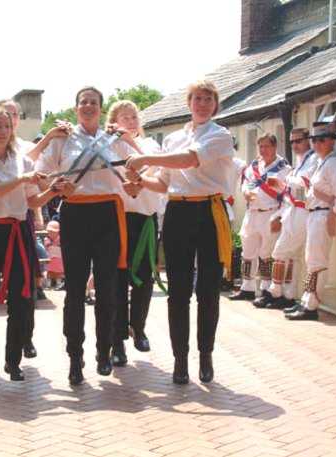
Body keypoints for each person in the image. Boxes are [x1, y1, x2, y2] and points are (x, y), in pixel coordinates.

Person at [125, 80, 234, 384]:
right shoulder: (173, 138)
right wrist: (139, 182)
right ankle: (180, 360)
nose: (202, 104)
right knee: (178, 291)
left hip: (210, 211)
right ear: (188, 103)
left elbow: (190, 160)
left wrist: (144, 159)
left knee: (208, 290)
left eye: (208, 99)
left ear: (215, 105)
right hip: (178, 212)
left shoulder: (220, 135)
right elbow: (163, 183)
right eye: (197, 98)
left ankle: (206, 355)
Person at [35, 87, 138, 385]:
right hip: (75, 215)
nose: (88, 106)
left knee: (107, 288)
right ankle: (74, 357)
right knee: (75, 290)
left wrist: (135, 184)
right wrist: (57, 188)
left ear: (101, 108)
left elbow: (135, 172)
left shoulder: (114, 139)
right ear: (76, 107)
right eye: (83, 102)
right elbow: (42, 173)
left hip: (107, 213)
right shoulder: (64, 139)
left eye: (94, 102)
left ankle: (103, 351)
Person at [0, 105, 65, 391]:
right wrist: (22, 179)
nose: (3, 131)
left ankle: (13, 361)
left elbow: (32, 202)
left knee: (22, 301)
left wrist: (54, 190)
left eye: (7, 126)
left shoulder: (20, 159)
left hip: (15, 233)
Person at [105, 100, 163, 366]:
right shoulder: (107, 144)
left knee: (143, 279)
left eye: (133, 117)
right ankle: (116, 342)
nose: (129, 121)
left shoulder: (149, 145)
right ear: (113, 121)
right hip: (117, 219)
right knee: (116, 282)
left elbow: (156, 170)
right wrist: (117, 139)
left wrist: (133, 143)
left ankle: (137, 327)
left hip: (144, 218)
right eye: (123, 118)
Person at [285, 122, 336, 321]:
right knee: (311, 259)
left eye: (322, 139)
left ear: (332, 141)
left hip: (323, 215)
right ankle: (307, 300)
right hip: (313, 213)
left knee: (317, 260)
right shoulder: (321, 163)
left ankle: (312, 305)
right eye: (314, 140)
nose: (318, 144)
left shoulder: (334, 164)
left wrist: (334, 214)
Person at [253, 128, 317, 309]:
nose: (295, 145)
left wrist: (284, 183)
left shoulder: (312, 160)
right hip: (291, 210)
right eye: (292, 142)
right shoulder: (300, 161)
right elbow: (290, 191)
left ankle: (275, 292)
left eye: (298, 141)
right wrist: (279, 214)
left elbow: (305, 185)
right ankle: (287, 294)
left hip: (304, 211)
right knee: (290, 256)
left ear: (308, 140)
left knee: (280, 253)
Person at [229, 134, 291, 302]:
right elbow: (245, 183)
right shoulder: (254, 166)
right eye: (260, 147)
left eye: (266, 146)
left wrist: (280, 217)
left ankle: (265, 288)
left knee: (266, 252)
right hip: (252, 212)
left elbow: (287, 193)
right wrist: (246, 192)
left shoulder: (284, 168)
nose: (263, 150)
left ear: (274, 147)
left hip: (270, 212)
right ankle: (246, 287)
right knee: (247, 250)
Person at [44, 220, 64, 288]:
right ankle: (48, 282)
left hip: (59, 259)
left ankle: (59, 282)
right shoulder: (46, 239)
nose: (50, 234)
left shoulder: (61, 239)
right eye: (49, 232)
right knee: (49, 271)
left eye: (53, 232)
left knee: (59, 272)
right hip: (50, 259)